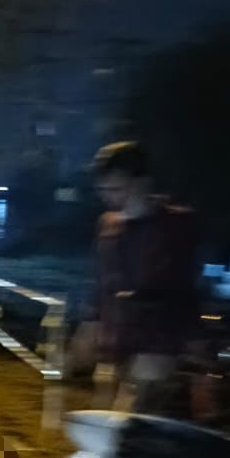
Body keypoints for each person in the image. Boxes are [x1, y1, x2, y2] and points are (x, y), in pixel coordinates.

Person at [89, 141, 199, 413]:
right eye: (103, 190)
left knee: (132, 418)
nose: (108, 197)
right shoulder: (108, 225)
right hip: (114, 342)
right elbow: (102, 283)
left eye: (116, 189)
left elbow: (181, 288)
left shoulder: (176, 225)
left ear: (141, 183)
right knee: (103, 417)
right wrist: (92, 325)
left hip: (156, 342)